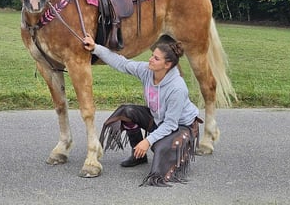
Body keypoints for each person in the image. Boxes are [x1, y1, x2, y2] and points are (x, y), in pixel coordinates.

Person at [83, 34, 203, 187]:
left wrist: (147, 141)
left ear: (167, 65)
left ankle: (179, 155)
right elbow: (122, 63)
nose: (150, 60)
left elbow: (171, 124)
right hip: (159, 120)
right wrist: (96, 48)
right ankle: (139, 156)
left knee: (158, 148)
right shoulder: (147, 70)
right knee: (127, 112)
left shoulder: (177, 88)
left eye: (156, 58)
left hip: (181, 126)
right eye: (153, 55)